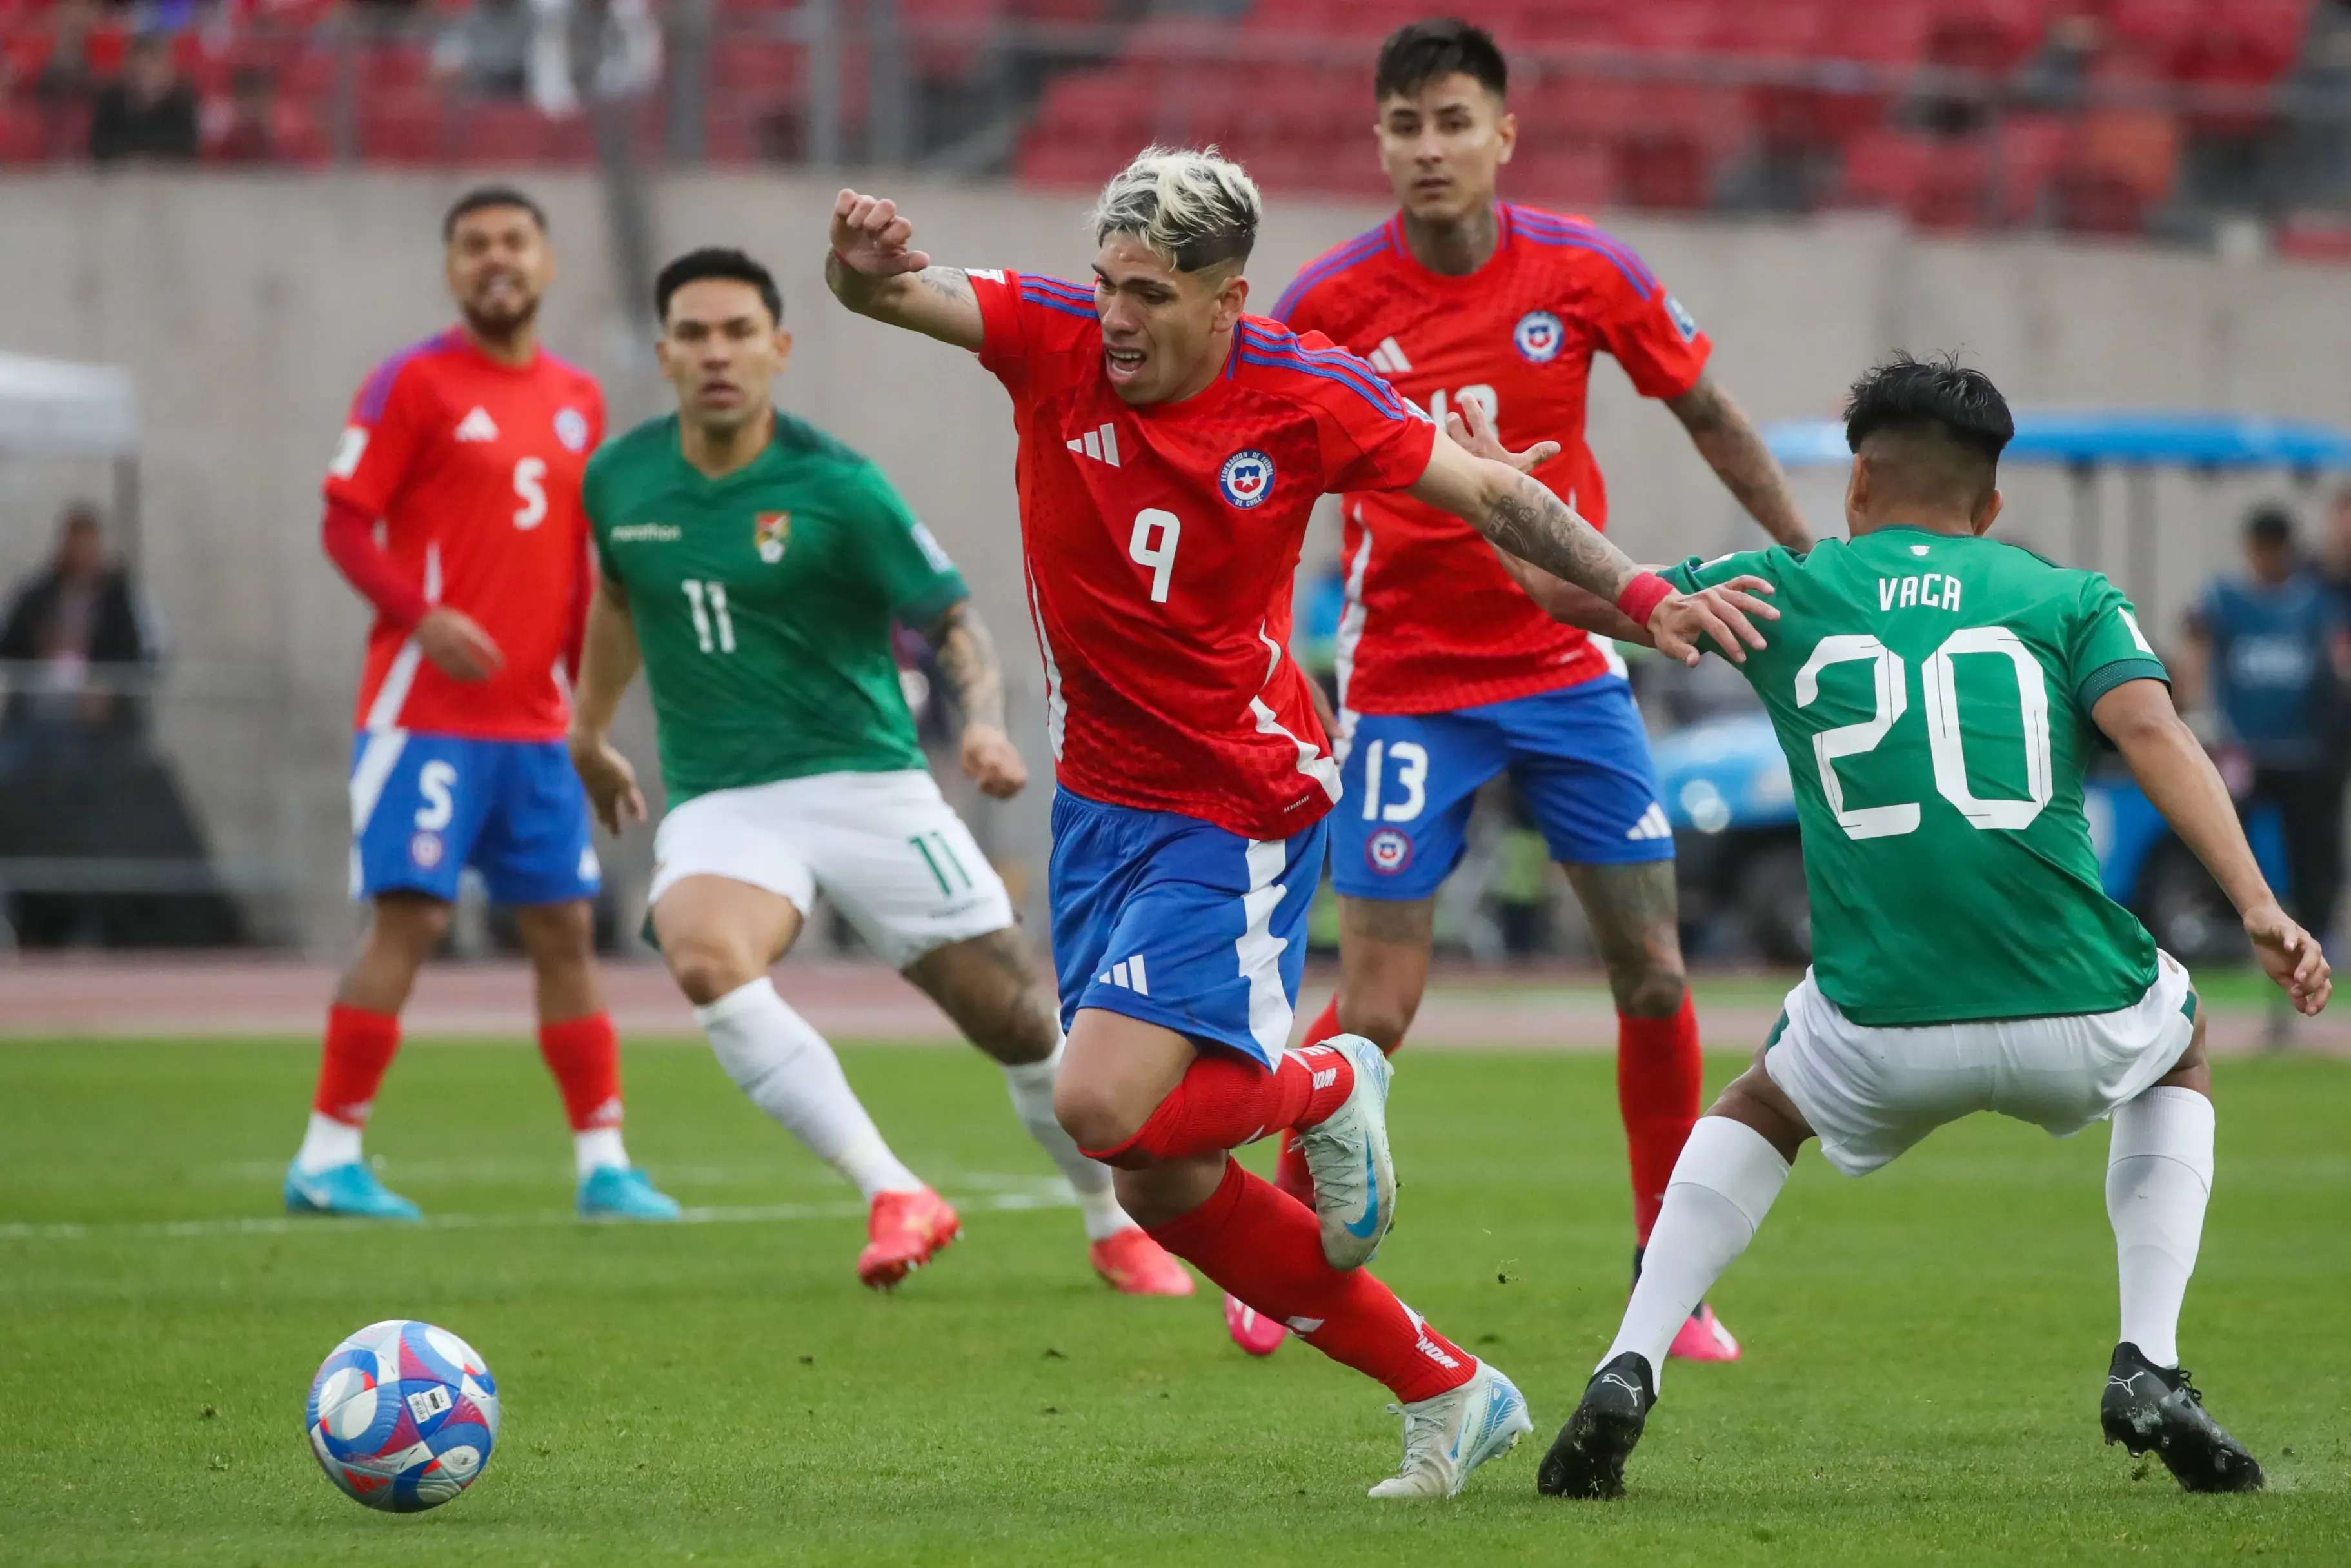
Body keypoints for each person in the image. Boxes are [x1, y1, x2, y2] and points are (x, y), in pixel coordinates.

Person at [824, 147, 1772, 1496]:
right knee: (1159, 1177)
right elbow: (889, 295)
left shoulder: (1304, 391)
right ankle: (1448, 1388)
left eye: (1150, 292)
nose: (1117, 317)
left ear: (1227, 298)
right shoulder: (1050, 340)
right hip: (1098, 798)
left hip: (1237, 797)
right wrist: (853, 273)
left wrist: (1639, 594)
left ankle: (1328, 1079)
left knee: (1099, 1104)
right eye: (1107, 285)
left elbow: (1493, 491)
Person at [1509, 354, 2326, 1500]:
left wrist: (1501, 501)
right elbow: (2154, 734)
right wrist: (2258, 905)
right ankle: (2149, 1359)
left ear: (1856, 485)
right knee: (2177, 1047)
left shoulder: (1780, 587)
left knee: (1760, 1102)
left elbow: (1559, 593)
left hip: (1877, 1022)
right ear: (1991, 504)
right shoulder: (2066, 596)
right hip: (2075, 1007)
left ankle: (1630, 1361)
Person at [1250, 18, 1814, 1364]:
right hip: (1402, 682)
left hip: (1569, 666)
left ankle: (1664, 1279)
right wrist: (1265, 655)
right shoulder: (1326, 305)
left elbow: (1709, 412)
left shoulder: (1581, 271)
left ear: (1503, 132)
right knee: (1379, 1005)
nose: (1428, 148)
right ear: (1377, 143)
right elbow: (1256, 486)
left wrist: (1806, 559)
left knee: (1652, 972)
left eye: (1452, 120)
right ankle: (1269, 1249)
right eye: (1404, 125)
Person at [568, 246, 1191, 1296]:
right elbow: (623, 598)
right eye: (695, 334)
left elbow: (949, 617)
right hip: (728, 799)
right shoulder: (619, 479)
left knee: (1017, 1022)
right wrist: (588, 731)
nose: (717, 353)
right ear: (665, 353)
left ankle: (1106, 1218)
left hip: (871, 783)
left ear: (779, 348)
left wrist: (986, 724)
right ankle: (893, 1189)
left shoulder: (837, 486)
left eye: (738, 333)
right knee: (707, 958)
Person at [284, 186, 679, 1225]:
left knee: (562, 929)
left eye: (513, 241)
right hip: (425, 717)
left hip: (538, 727)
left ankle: (604, 1164)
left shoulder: (579, 398)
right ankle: (328, 1154)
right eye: (474, 246)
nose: (495, 259)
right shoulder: (410, 383)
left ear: (547, 262)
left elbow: (573, 570)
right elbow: (343, 523)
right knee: (409, 917)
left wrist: (588, 717)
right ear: (451, 268)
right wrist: (423, 618)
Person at [2179, 506, 2348, 952]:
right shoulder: (2225, 597)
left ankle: (2316, 929)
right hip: (2241, 747)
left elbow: (2337, 657)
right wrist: (2192, 711)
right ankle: (2224, 923)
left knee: (2311, 846)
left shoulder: (2315, 599)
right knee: (2219, 826)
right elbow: (2196, 644)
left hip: (2303, 748)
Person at [88, 32, 199, 163]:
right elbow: (100, 145)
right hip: (118, 178)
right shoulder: (110, 102)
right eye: (138, 63)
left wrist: (146, 157)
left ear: (167, 69)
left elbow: (185, 147)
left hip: (169, 179)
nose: (143, 69)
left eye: (151, 63)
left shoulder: (182, 103)